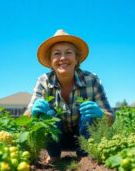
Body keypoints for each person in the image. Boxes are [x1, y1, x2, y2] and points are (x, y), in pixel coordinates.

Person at [24, 29, 115, 163]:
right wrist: (33, 112)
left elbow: (111, 117)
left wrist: (100, 115)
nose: (62, 58)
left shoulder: (91, 80)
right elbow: (25, 120)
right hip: (56, 140)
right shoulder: (43, 81)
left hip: (84, 139)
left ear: (76, 58)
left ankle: (85, 158)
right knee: (48, 113)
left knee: (90, 114)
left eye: (68, 52)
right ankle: (54, 157)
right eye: (56, 54)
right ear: (50, 60)